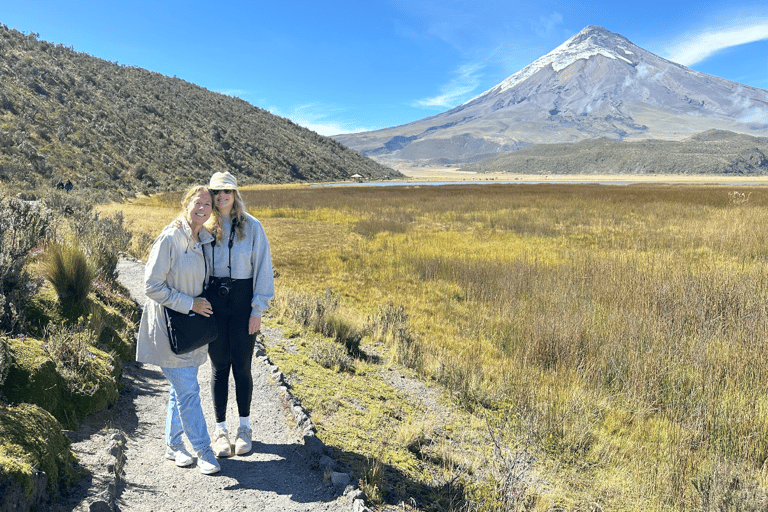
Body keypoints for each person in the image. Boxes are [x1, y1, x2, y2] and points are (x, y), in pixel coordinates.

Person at [136, 185, 221, 475]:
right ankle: (204, 449)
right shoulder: (170, 238)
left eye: (208, 204)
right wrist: (190, 304)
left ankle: (173, 445)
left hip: (191, 332)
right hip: (168, 330)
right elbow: (151, 286)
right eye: (198, 202)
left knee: (180, 390)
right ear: (186, 204)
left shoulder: (205, 239)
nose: (203, 208)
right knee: (188, 390)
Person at [206, 171, 274, 457]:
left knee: (242, 366)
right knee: (219, 366)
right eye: (217, 193)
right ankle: (220, 430)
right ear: (211, 195)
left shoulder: (253, 227)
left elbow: (263, 269)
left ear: (235, 195)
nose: (222, 197)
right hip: (214, 303)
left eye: (227, 192)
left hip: (244, 301)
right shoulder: (205, 226)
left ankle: (244, 428)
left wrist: (258, 309)